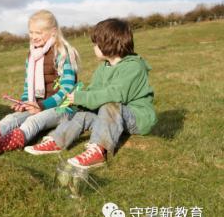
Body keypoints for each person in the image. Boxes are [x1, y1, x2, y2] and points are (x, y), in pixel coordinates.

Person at [25, 18, 156, 169]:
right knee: (84, 114)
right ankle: (57, 141)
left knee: (109, 105)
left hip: (137, 118)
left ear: (108, 44)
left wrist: (82, 97)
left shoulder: (133, 67)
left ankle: (98, 151)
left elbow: (115, 94)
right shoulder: (103, 68)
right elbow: (94, 91)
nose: (93, 47)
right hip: (112, 118)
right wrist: (77, 100)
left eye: (95, 44)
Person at [0, 10, 80, 155]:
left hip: (63, 108)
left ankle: (4, 144)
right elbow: (28, 85)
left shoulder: (62, 53)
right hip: (37, 104)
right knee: (11, 118)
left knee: (34, 121)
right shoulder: (32, 55)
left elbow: (67, 89)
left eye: (39, 33)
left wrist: (41, 106)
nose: (34, 37)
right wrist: (24, 102)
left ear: (53, 32)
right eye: (31, 32)